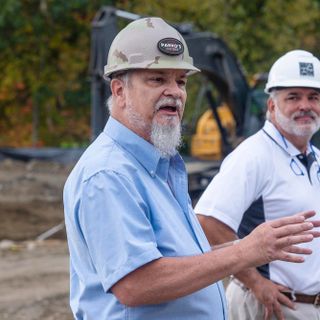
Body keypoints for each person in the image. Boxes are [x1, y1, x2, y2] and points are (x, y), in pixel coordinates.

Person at [63, 18, 319, 320]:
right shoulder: (109, 175)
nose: (175, 92)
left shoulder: (160, 167)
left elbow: (182, 262)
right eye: (157, 79)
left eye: (181, 81)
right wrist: (245, 253)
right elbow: (135, 284)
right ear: (119, 90)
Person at [195, 49, 320, 320]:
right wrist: (255, 282)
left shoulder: (314, 157)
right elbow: (207, 223)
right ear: (272, 105)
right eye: (293, 97)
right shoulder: (253, 156)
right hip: (272, 307)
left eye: (313, 97)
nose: (305, 106)